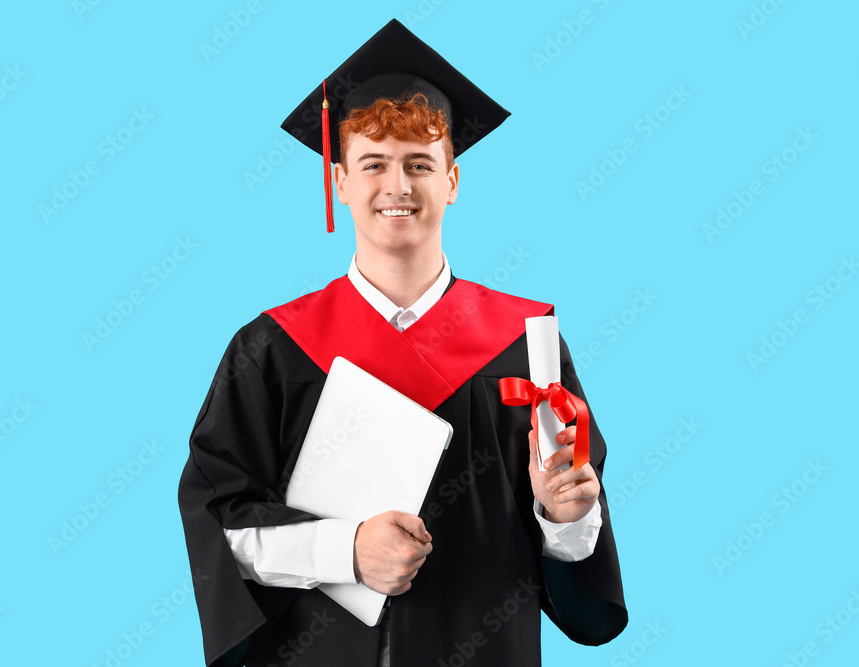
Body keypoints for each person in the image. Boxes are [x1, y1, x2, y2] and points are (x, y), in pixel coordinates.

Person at [178, 19, 627, 667]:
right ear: (338, 180)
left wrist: (562, 517)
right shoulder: (271, 349)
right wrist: (345, 549)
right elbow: (220, 524)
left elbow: (576, 542)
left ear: (452, 181)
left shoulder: (526, 341)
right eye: (373, 163)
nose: (398, 185)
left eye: (421, 163)